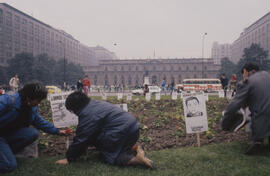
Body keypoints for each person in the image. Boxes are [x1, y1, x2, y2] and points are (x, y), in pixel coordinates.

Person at [55, 91, 155, 169]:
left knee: (110, 156)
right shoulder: (94, 104)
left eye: (72, 111)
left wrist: (69, 158)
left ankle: (137, 160)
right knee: (111, 145)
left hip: (120, 131)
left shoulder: (87, 113)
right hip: (133, 127)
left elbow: (82, 138)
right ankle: (134, 150)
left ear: (76, 107)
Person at [0, 83, 66, 173]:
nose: (39, 103)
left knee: (32, 134)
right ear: (29, 97)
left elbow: (39, 121)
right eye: (38, 100)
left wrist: (57, 131)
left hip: (6, 134)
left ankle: (6, 154)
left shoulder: (31, 107)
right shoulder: (8, 100)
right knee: (9, 166)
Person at [221, 62, 270, 155]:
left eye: (242, 74)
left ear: (245, 71)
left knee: (259, 114)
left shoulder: (247, 82)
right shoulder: (267, 75)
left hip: (263, 117)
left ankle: (258, 142)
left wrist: (224, 124)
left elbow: (234, 105)